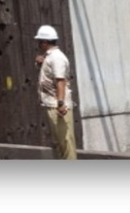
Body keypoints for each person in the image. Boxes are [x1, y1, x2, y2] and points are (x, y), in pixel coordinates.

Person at [35, 25, 77, 160]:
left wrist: (60, 103)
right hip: (52, 104)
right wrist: (41, 63)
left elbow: (60, 81)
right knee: (59, 143)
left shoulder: (56, 57)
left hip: (57, 105)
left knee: (65, 143)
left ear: (45, 42)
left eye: (40, 41)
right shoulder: (50, 57)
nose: (38, 44)